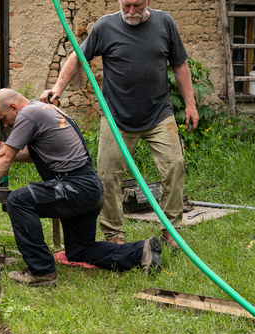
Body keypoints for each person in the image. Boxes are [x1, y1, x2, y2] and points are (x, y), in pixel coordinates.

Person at [0, 89, 162, 287]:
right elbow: (29, 155)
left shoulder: (29, 114)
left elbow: (6, 157)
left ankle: (41, 271)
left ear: (13, 107)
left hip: (74, 187)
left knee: (18, 201)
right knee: (79, 251)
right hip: (89, 188)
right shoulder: (43, 110)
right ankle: (141, 252)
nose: (5, 123)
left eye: (4, 118)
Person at [40, 0, 199, 249]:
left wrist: (190, 104)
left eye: (137, 5)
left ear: (148, 1)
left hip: (159, 114)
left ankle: (171, 230)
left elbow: (180, 64)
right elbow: (77, 58)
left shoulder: (164, 23)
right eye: (126, 5)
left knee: (174, 167)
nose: (131, 11)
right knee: (107, 176)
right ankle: (113, 232)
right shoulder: (105, 26)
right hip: (116, 118)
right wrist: (57, 88)